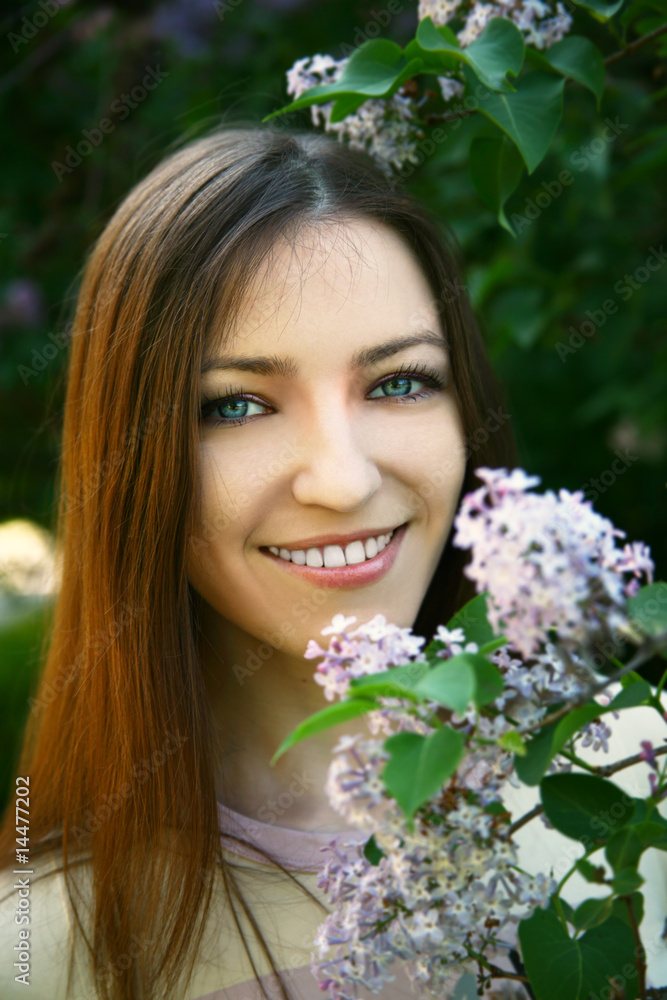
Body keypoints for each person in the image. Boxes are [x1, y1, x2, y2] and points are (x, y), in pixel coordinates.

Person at [5, 120, 662, 1000]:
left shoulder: (636, 774)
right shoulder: (41, 948)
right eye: (236, 405)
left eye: (398, 383)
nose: (344, 480)